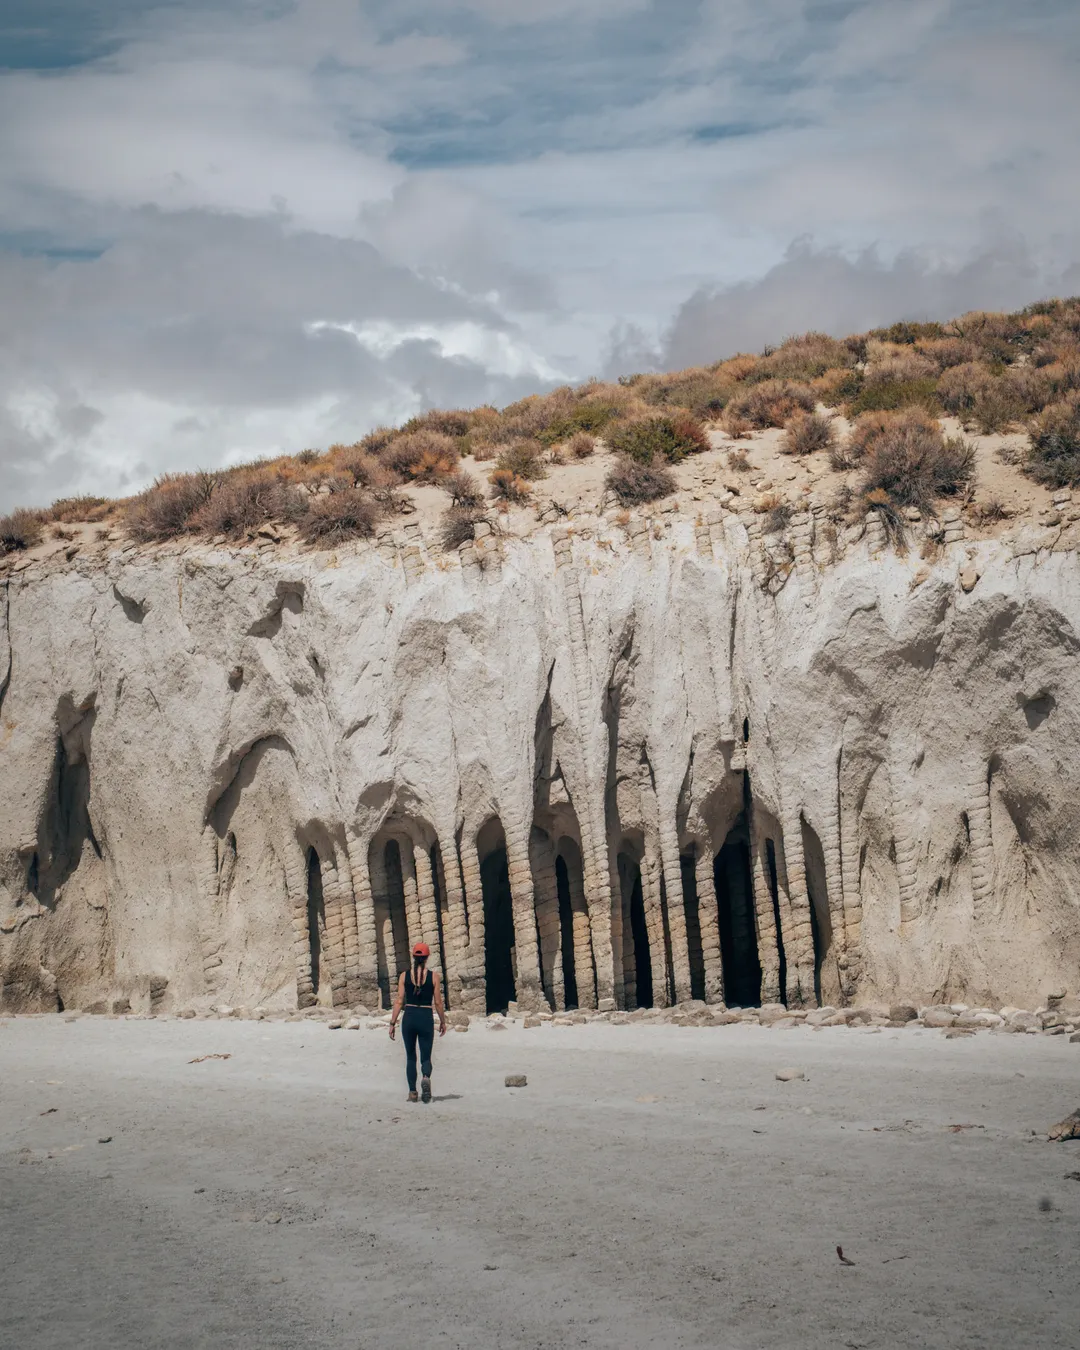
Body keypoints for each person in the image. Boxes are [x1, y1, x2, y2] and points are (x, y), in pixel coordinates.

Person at [389, 942, 446, 1102]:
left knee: (410, 1056)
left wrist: (392, 1023)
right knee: (426, 1056)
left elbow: (399, 1001)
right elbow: (438, 1002)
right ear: (427, 958)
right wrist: (442, 1021)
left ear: (413, 957)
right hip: (425, 1016)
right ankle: (426, 1077)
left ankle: (413, 1093)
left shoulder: (404, 976)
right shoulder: (433, 976)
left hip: (409, 1016)